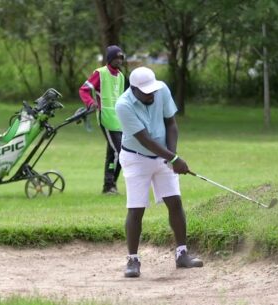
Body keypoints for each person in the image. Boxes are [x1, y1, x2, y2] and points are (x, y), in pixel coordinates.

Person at [115, 66, 203, 278]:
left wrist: (171, 156)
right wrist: (173, 159)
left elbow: (171, 123)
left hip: (163, 155)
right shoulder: (123, 105)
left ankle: (182, 254)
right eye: (146, 92)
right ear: (133, 89)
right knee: (136, 208)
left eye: (152, 90)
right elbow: (144, 139)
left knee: (175, 202)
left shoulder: (161, 89)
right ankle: (133, 260)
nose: (151, 94)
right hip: (136, 158)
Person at [79, 45, 125, 194]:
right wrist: (90, 103)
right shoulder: (100, 73)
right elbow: (84, 89)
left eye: (121, 57)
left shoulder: (121, 76)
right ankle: (110, 185)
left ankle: (108, 185)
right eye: (116, 57)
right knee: (121, 152)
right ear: (110, 59)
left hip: (119, 120)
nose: (119, 60)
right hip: (106, 118)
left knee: (113, 153)